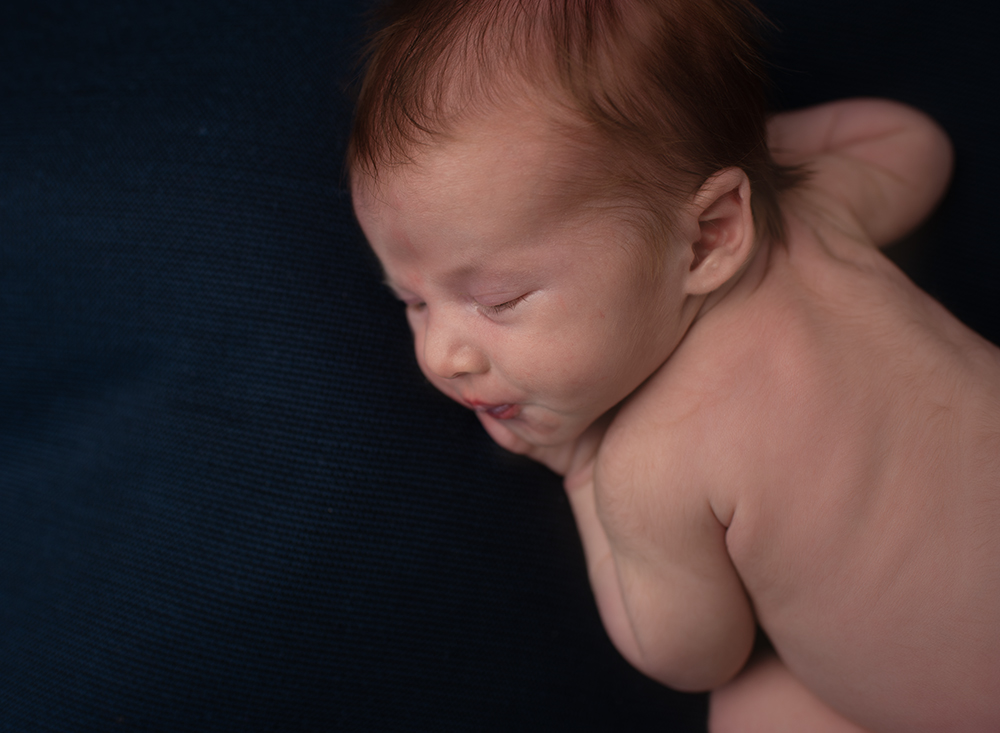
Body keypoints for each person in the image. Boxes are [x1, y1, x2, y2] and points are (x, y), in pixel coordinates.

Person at [349, 1, 1000, 730]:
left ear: (708, 238)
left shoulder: (651, 462)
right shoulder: (821, 208)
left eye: (497, 299)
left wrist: (583, 468)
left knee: (749, 696)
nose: (441, 353)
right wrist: (708, 166)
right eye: (410, 299)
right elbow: (912, 142)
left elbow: (693, 655)